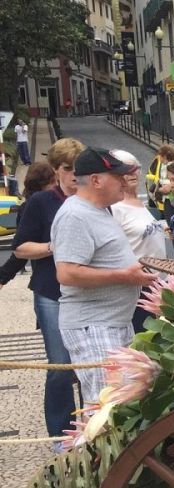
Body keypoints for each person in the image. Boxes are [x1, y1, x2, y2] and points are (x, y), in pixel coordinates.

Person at [52, 148, 158, 406]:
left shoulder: (99, 209)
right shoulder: (75, 214)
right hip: (94, 325)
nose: (125, 181)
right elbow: (66, 273)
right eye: (117, 176)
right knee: (107, 406)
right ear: (96, 180)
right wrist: (125, 276)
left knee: (121, 403)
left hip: (112, 322)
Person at [12, 137, 84, 441]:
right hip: (51, 292)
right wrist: (54, 246)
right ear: (56, 170)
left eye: (78, 169)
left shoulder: (90, 199)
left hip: (86, 292)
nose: (74, 175)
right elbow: (20, 248)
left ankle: (92, 427)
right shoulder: (41, 202)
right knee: (59, 366)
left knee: (88, 365)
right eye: (68, 169)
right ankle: (61, 434)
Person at [109, 150, 170, 331]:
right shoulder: (115, 208)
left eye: (135, 168)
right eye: (125, 169)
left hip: (159, 282)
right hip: (138, 287)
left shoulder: (139, 203)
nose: (133, 173)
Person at [0, 162, 57, 288]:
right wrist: (3, 276)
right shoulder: (30, 208)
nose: (56, 185)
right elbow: (22, 249)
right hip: (45, 281)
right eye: (53, 182)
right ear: (41, 185)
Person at [145, 144, 174, 219]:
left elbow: (167, 185)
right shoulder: (172, 165)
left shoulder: (169, 167)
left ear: (164, 156)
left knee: (170, 221)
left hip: (170, 200)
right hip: (173, 200)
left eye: (160, 155)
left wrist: (158, 189)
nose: (159, 158)